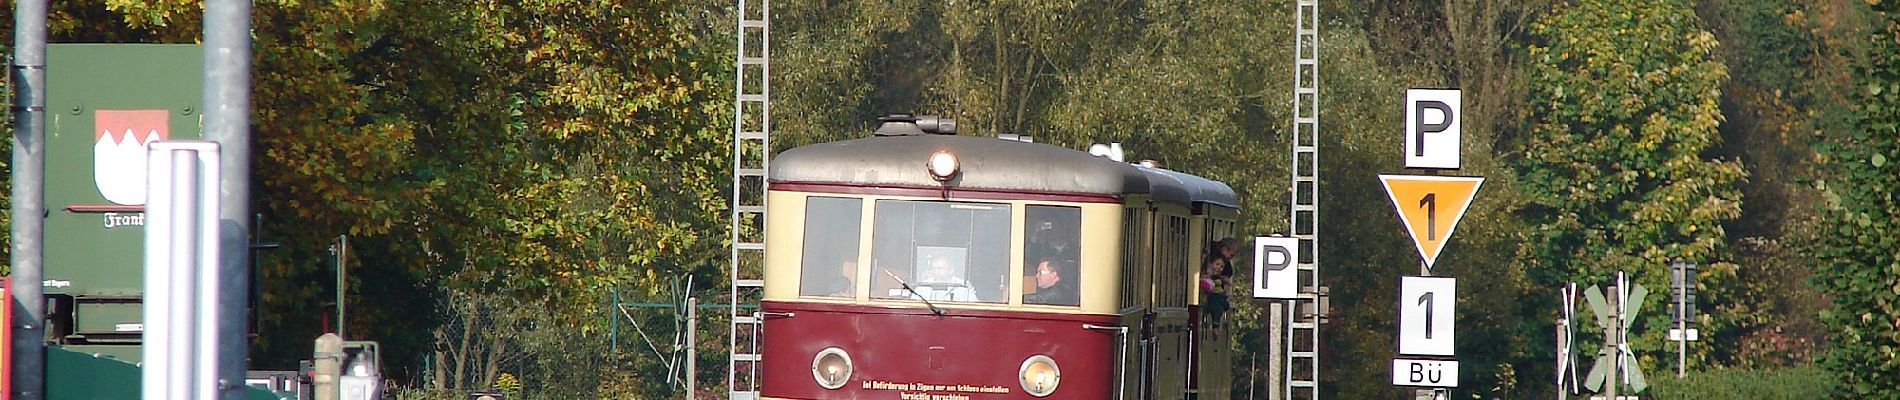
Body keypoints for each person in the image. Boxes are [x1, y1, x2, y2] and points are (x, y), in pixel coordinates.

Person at [1200, 253, 1230, 331]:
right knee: (1216, 306)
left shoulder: (1220, 278)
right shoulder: (1207, 275)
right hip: (1213, 296)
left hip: (1221, 296)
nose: (1219, 267)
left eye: (1221, 266)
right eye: (1217, 264)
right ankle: (1215, 326)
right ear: (1211, 264)